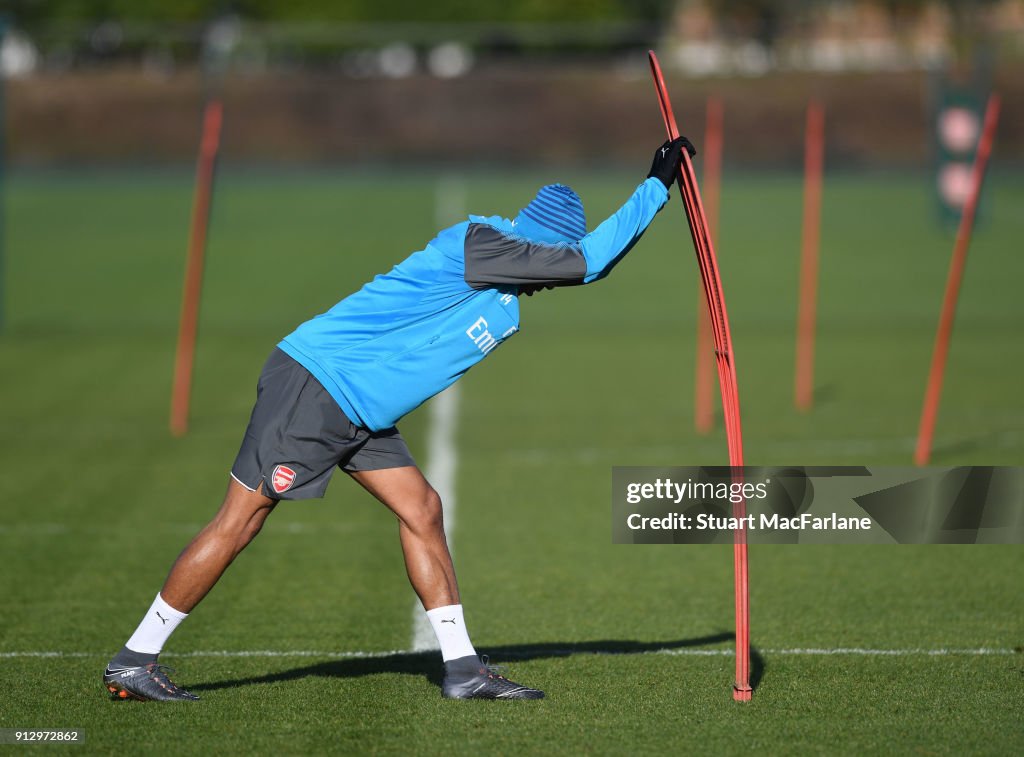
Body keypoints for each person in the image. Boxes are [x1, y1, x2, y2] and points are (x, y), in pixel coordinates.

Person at [103, 136, 694, 702]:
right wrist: (655, 186)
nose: (550, 282)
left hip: (358, 405)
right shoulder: (486, 246)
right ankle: (135, 659)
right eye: (550, 263)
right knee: (241, 521)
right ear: (540, 245)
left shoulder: (505, 279)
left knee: (423, 509)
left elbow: (585, 266)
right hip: (318, 385)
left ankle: (463, 669)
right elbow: (589, 263)